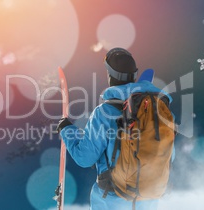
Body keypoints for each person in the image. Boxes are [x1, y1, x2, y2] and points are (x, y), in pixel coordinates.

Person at [56, 47, 175, 210]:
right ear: (134, 75)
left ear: (110, 76)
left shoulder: (104, 113)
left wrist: (67, 130)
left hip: (112, 201)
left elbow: (84, 158)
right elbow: (169, 155)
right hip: (149, 200)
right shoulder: (160, 111)